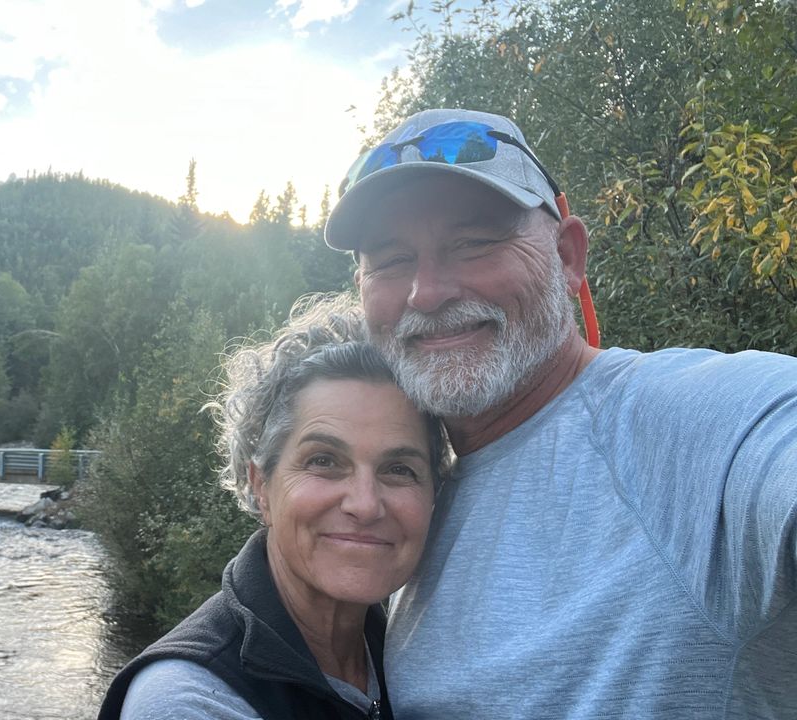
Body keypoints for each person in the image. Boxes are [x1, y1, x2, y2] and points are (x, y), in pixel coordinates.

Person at [324, 107, 797, 718]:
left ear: (568, 257)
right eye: (391, 260)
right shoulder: (405, 497)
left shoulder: (695, 420)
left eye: (473, 243)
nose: (428, 292)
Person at [97, 295, 449, 720]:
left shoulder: (405, 649)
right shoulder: (190, 701)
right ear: (260, 485)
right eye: (324, 461)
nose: (364, 504)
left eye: (399, 469)